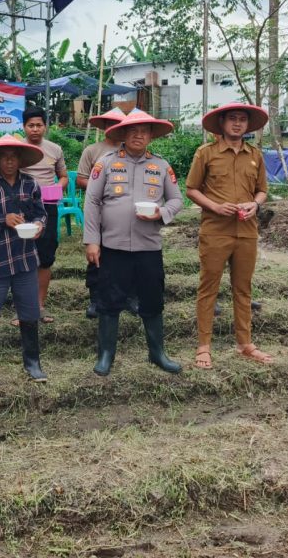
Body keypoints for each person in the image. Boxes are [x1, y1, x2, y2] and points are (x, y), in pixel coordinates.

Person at [83, 110, 184, 376]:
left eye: (144, 131)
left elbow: (177, 199)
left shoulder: (161, 165)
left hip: (148, 247)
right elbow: (92, 201)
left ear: (151, 136)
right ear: (123, 134)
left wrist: (162, 213)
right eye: (133, 131)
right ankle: (106, 354)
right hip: (112, 247)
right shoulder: (105, 163)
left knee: (152, 299)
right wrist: (92, 241)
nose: (138, 136)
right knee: (109, 300)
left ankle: (157, 353)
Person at [185, 103, 271, 370]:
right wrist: (215, 206)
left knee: (243, 289)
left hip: (247, 232)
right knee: (208, 287)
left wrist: (254, 204)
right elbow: (191, 189)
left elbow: (262, 190)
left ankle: (245, 343)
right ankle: (204, 345)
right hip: (215, 231)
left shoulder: (255, 155)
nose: (237, 123)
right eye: (232, 119)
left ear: (247, 125)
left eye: (242, 119)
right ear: (222, 123)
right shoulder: (206, 153)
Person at [0, 134, 48, 385]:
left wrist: (39, 226)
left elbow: (41, 214)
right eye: (5, 158)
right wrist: (1, 220)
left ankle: (32, 363)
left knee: (30, 312)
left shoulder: (31, 184)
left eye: (14, 157)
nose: (10, 162)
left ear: (20, 160)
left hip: (25, 258)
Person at [76, 107, 140, 319]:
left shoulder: (133, 150)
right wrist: (103, 188)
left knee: (130, 254)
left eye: (119, 124)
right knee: (97, 254)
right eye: (111, 124)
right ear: (104, 126)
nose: (115, 128)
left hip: (128, 213)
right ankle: (96, 298)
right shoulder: (92, 151)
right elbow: (81, 179)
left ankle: (130, 296)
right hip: (100, 211)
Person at [19, 106, 68, 324]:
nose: (35, 129)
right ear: (24, 127)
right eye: (31, 125)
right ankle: (22, 309)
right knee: (21, 255)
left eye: (39, 125)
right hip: (22, 208)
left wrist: (58, 187)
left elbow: (63, 176)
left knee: (45, 256)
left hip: (48, 206)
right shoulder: (17, 148)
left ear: (45, 127)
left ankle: (39, 306)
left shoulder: (54, 149)